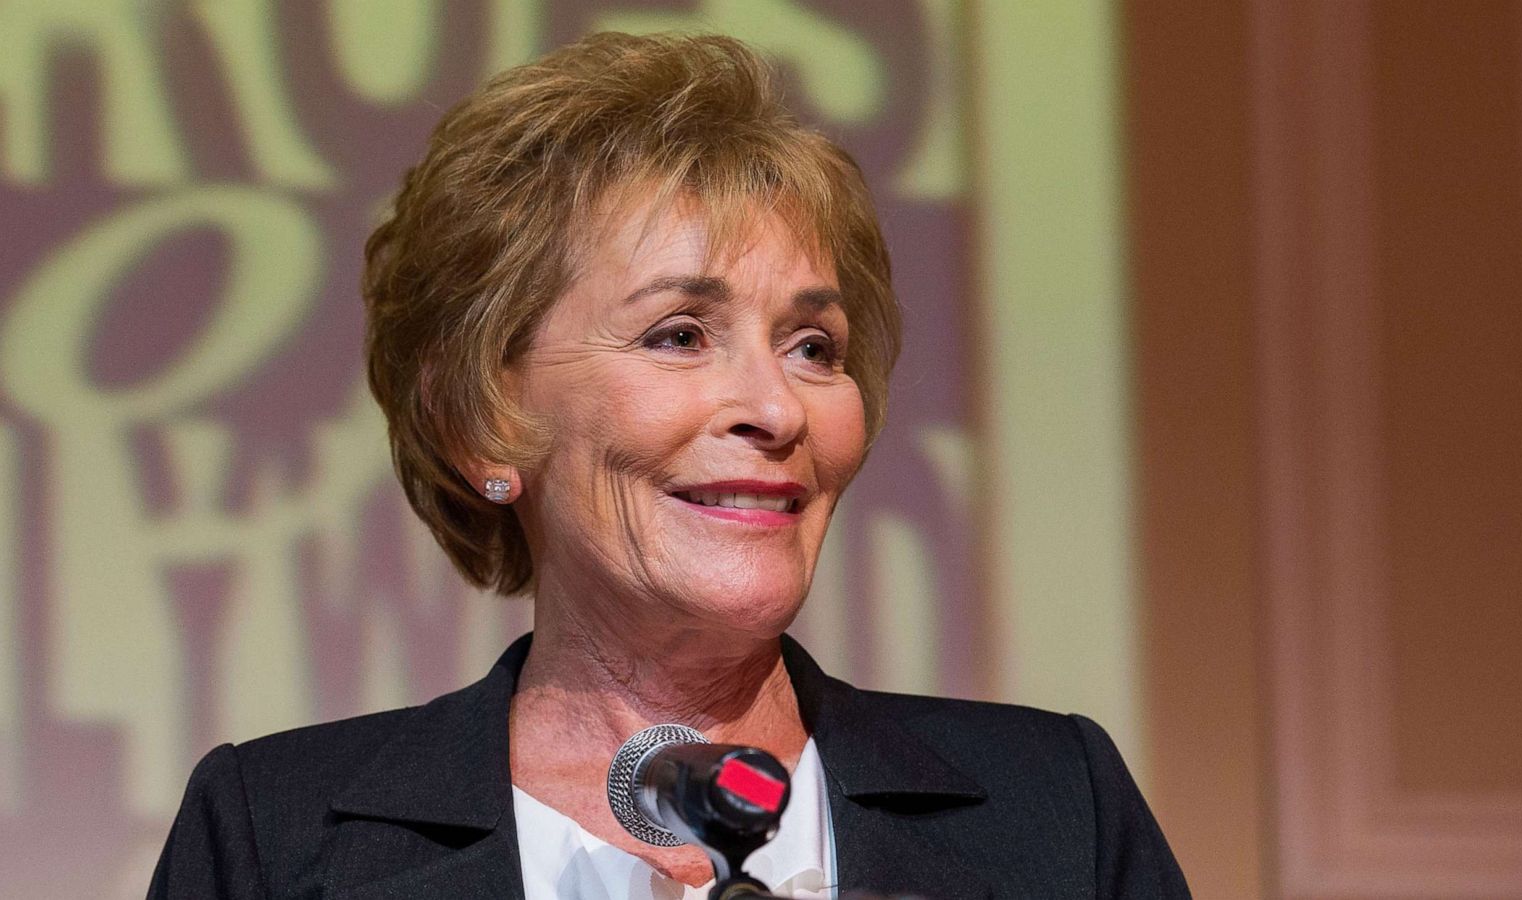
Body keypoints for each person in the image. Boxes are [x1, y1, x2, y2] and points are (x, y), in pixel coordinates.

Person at [148, 32, 1189, 900]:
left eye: (813, 348)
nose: (777, 408)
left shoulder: (1053, 810)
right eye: (680, 334)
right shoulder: (274, 839)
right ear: (478, 417)